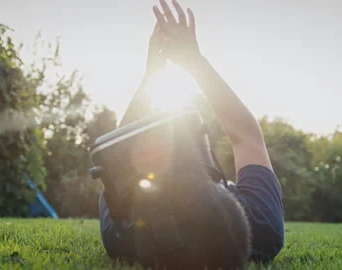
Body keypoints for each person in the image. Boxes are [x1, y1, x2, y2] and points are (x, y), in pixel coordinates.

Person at [98, 0, 284, 269]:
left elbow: (116, 154)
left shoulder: (122, 230)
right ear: (204, 159)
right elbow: (246, 136)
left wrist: (152, 73)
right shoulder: (258, 227)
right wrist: (193, 60)